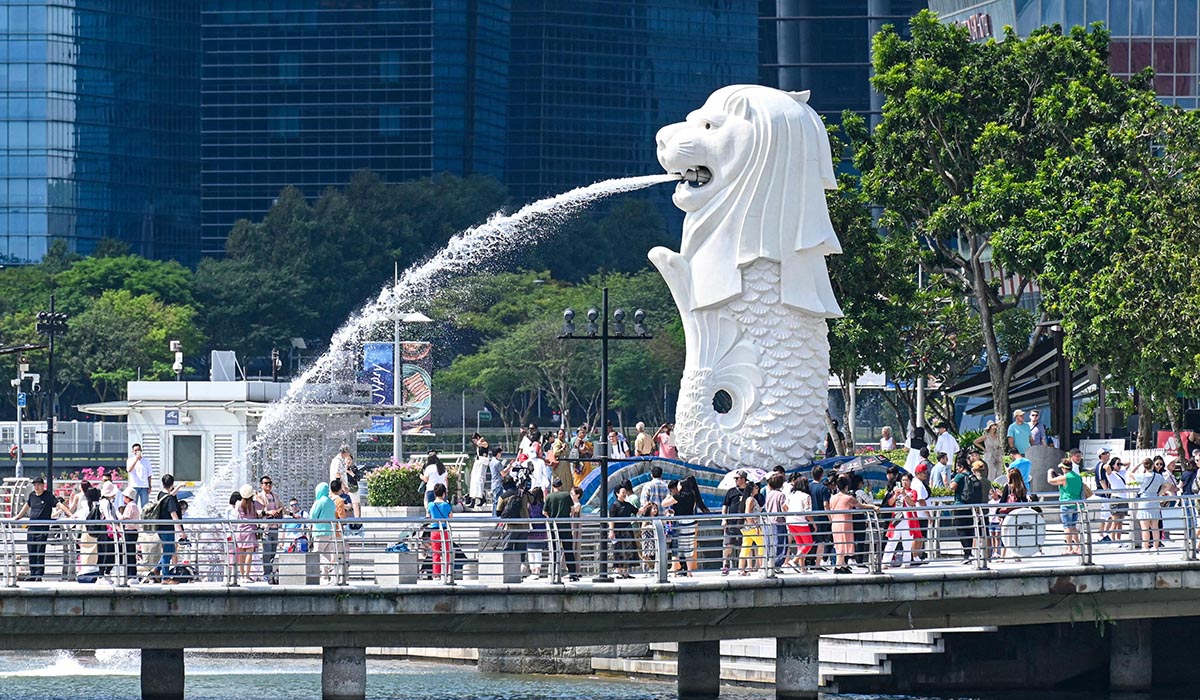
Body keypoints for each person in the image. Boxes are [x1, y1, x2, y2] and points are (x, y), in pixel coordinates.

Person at [13, 476, 71, 581]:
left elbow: (59, 505)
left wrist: (71, 515)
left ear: (43, 485)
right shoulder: (32, 495)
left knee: (40, 551)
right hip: (32, 528)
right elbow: (26, 506)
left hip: (42, 528)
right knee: (31, 551)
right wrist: (18, 516)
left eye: (38, 485)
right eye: (35, 485)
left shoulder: (48, 496)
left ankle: (39, 575)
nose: (36, 487)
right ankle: (33, 574)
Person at [829, 474, 877, 573]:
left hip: (835, 522)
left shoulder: (832, 498)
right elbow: (861, 505)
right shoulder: (848, 498)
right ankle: (838, 566)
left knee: (839, 544)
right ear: (846, 487)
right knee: (844, 544)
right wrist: (873, 507)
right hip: (845, 523)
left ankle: (842, 564)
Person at [663, 475, 705, 576]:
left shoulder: (679, 497)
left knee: (676, 547)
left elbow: (664, 504)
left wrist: (669, 495)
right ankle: (689, 572)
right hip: (690, 523)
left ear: (682, 486)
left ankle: (674, 571)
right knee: (688, 548)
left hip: (680, 523)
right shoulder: (693, 496)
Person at [146, 474, 185, 583]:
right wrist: (181, 532)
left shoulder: (161, 494)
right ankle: (165, 578)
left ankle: (156, 570)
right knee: (168, 552)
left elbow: (170, 494)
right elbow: (174, 516)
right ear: (172, 484)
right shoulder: (170, 499)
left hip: (159, 527)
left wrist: (179, 486)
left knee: (170, 549)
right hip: (168, 528)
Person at [882, 474, 923, 567]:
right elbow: (890, 503)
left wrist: (904, 494)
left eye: (906, 480)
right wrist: (896, 495)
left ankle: (906, 562)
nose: (904, 482)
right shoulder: (897, 491)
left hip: (907, 519)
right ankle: (885, 562)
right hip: (896, 518)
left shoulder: (913, 491)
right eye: (903, 480)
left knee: (907, 542)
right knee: (892, 541)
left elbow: (912, 503)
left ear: (910, 481)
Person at [951, 461, 985, 563]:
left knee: (961, 530)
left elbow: (952, 487)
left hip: (960, 506)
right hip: (971, 507)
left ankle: (967, 554)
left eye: (957, 467)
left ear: (961, 467)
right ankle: (969, 553)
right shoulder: (972, 476)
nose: (957, 469)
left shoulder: (960, 476)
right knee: (969, 530)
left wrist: (952, 481)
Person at [1048, 461, 1085, 555]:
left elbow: (1050, 481)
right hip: (1076, 504)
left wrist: (1049, 472)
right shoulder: (1078, 477)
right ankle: (1078, 547)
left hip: (1066, 503)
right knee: (1073, 526)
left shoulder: (1065, 477)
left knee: (1067, 526)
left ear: (1064, 468)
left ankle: (1069, 548)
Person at [545, 479, 578, 581]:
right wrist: (569, 515)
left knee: (554, 550)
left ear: (553, 486)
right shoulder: (566, 495)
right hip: (565, 526)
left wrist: (550, 517)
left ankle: (554, 573)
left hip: (553, 527)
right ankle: (573, 574)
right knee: (568, 550)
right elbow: (572, 509)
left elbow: (544, 512)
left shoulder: (549, 496)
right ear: (561, 486)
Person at [996, 467, 1031, 560]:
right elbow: (1024, 501)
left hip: (1008, 513)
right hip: (1018, 513)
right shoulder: (1022, 487)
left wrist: (998, 512)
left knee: (1005, 534)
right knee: (1017, 534)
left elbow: (1003, 501)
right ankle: (1017, 554)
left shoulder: (1008, 487)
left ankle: (1002, 556)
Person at [255, 475, 284, 583]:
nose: (268, 485)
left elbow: (282, 507)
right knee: (267, 551)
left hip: (275, 526)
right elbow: (257, 512)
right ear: (261, 485)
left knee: (273, 551)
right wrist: (268, 513)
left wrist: (288, 513)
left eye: (270, 483)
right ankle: (266, 573)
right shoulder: (259, 497)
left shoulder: (275, 496)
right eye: (266, 483)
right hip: (266, 528)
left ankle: (271, 573)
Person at [721, 471, 749, 575]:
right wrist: (724, 519)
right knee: (728, 544)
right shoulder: (731, 491)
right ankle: (725, 565)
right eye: (735, 478)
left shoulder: (748, 491)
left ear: (743, 479)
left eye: (738, 478)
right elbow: (725, 505)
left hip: (744, 522)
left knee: (745, 545)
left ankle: (743, 567)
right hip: (731, 522)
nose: (736, 480)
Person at [309, 482, 338, 584]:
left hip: (320, 531)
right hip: (330, 531)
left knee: (317, 553)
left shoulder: (319, 502)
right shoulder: (331, 502)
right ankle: (326, 577)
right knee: (326, 553)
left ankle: (330, 567)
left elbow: (312, 516)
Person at [783, 475, 813, 572]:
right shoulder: (806, 496)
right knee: (808, 543)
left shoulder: (791, 495)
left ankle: (802, 568)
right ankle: (794, 561)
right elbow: (808, 512)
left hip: (790, 521)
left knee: (800, 545)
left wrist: (788, 515)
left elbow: (784, 506)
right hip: (801, 522)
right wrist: (813, 523)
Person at [608, 485, 637, 579]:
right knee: (619, 550)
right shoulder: (614, 505)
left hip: (627, 530)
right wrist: (611, 531)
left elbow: (637, 511)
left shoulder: (628, 505)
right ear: (617, 493)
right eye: (623, 492)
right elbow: (611, 520)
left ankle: (625, 572)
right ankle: (619, 571)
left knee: (628, 551)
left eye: (625, 492)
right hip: (618, 531)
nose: (625, 494)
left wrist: (645, 507)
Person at [426, 483, 453, 579]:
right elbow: (450, 516)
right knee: (446, 552)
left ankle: (436, 574)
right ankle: (446, 573)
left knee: (435, 553)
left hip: (434, 530)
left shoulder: (430, 505)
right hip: (444, 530)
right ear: (444, 493)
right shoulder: (446, 505)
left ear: (434, 493)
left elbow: (428, 516)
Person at [808, 466, 832, 570]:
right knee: (821, 541)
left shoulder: (808, 487)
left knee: (811, 540)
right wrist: (830, 517)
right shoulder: (823, 488)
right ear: (822, 475)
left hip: (810, 517)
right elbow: (826, 504)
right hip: (821, 518)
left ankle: (810, 561)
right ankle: (817, 564)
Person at [763, 472, 789, 568]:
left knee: (770, 543)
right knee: (781, 544)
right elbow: (783, 508)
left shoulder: (769, 494)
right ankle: (777, 564)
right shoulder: (781, 495)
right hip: (779, 522)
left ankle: (770, 562)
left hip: (769, 521)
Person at [234, 484, 258, 581]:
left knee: (241, 554)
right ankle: (247, 575)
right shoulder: (253, 504)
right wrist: (257, 495)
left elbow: (236, 515)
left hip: (240, 531)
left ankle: (242, 575)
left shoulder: (238, 504)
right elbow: (264, 505)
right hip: (250, 531)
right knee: (249, 554)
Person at [738, 482, 764, 575]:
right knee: (762, 545)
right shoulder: (751, 499)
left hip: (746, 527)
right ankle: (762, 567)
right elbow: (748, 513)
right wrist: (755, 526)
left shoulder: (750, 499)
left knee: (745, 547)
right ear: (752, 489)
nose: (758, 488)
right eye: (756, 487)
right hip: (752, 527)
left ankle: (741, 569)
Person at [526, 486, 547, 578]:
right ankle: (537, 571)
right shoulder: (543, 505)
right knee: (538, 551)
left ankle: (533, 570)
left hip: (531, 531)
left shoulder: (529, 506)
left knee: (530, 552)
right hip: (542, 530)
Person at [488, 447, 508, 516]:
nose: (501, 454)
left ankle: (494, 516)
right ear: (498, 453)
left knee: (495, 501)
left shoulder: (491, 461)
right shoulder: (498, 463)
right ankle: (496, 516)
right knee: (498, 501)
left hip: (494, 483)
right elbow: (503, 474)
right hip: (498, 484)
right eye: (500, 453)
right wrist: (509, 468)